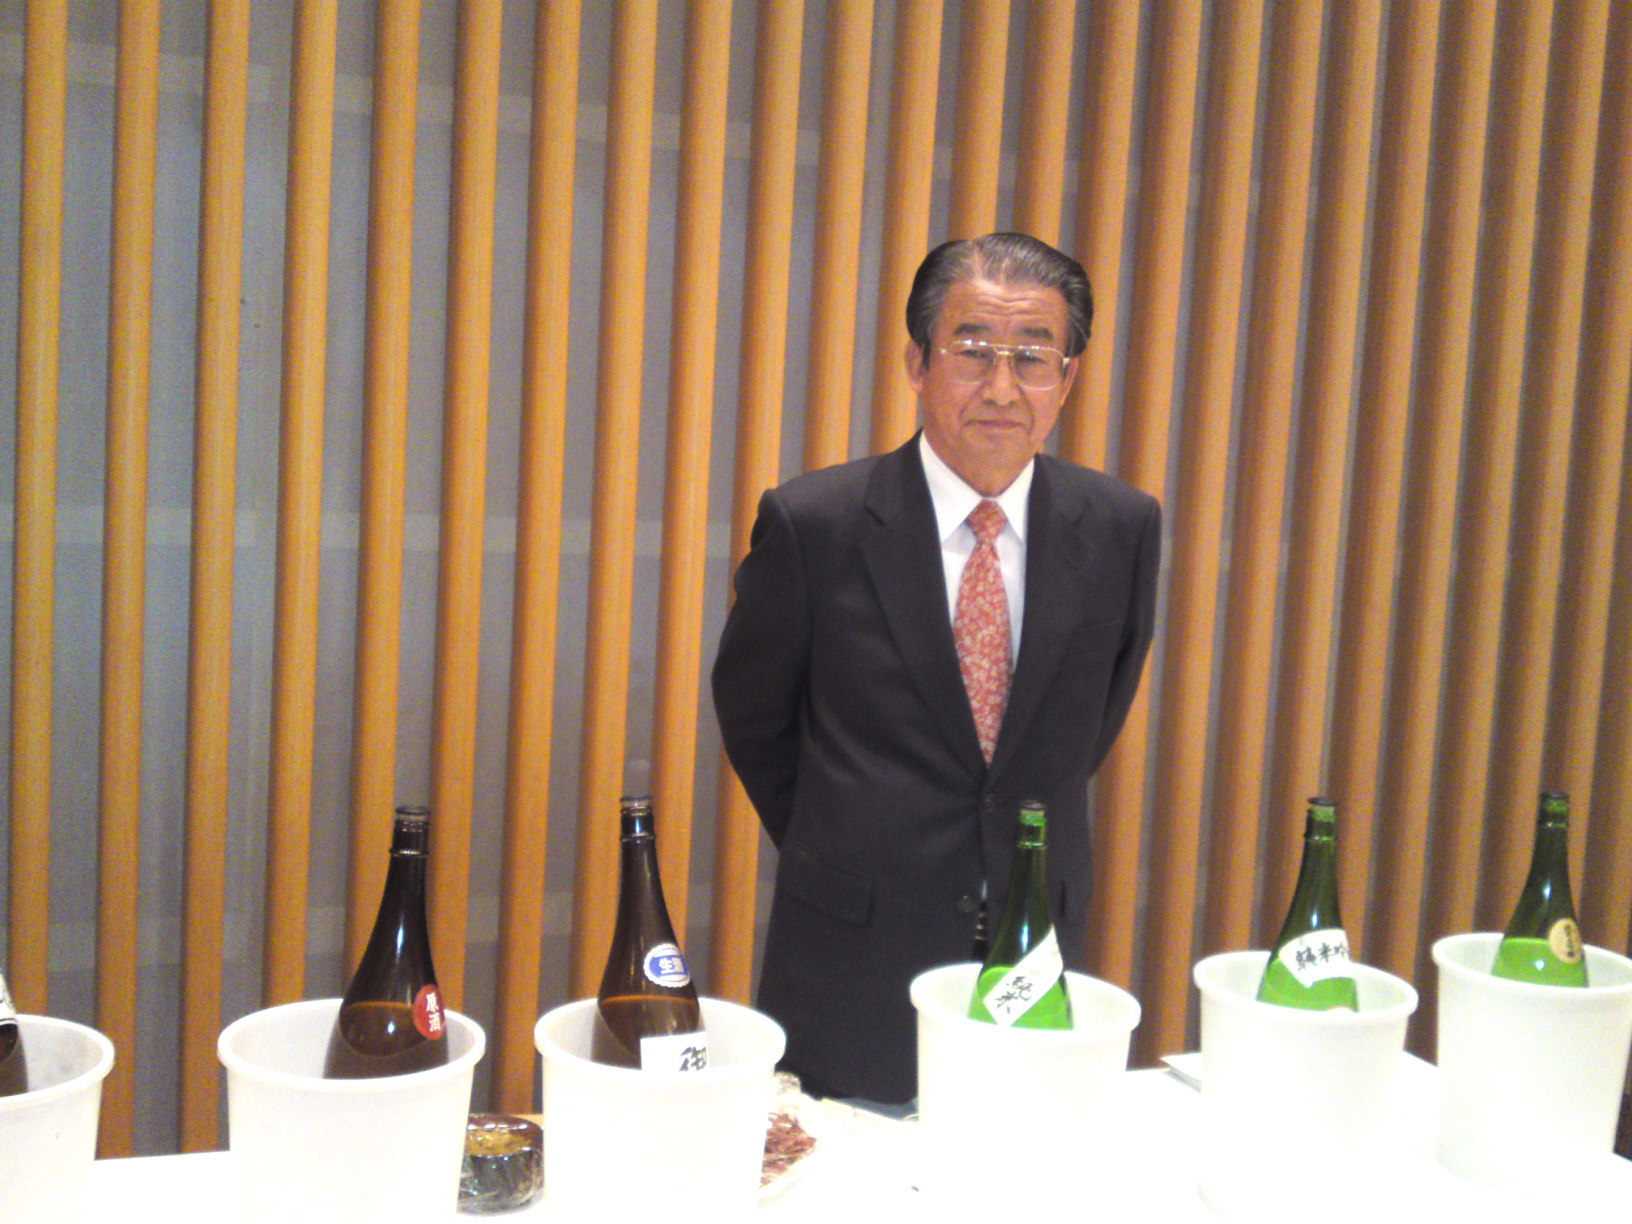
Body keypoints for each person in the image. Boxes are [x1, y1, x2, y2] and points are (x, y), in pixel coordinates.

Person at [712, 232, 1161, 1104]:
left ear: (1067, 379)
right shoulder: (817, 523)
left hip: (1035, 950)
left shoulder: (1120, 526)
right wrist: (845, 843)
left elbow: (1094, 718)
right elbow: (754, 717)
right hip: (853, 949)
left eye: (1032, 357)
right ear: (917, 363)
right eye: (973, 351)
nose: (1002, 387)